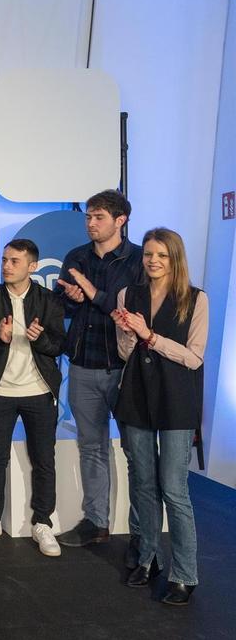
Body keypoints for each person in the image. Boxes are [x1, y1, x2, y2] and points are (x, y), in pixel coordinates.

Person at [113, 228, 207, 606]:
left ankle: (185, 574)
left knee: (174, 489)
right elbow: (124, 354)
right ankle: (149, 559)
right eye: (149, 254)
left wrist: (150, 336)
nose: (152, 261)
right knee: (144, 484)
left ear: (175, 259)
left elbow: (194, 357)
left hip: (176, 400)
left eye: (161, 255)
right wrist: (128, 334)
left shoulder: (195, 299)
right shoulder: (127, 295)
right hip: (136, 394)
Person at [53, 190, 144, 558]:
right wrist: (72, 299)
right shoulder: (76, 257)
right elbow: (59, 304)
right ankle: (97, 522)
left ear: (120, 220)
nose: (91, 223)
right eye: (88, 216)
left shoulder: (139, 260)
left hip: (126, 369)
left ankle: (143, 529)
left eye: (99, 217)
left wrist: (92, 292)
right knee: (91, 448)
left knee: (137, 453)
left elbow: (133, 312)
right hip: (82, 364)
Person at [0, 239, 65, 557]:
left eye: (14, 261)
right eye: (5, 260)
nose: (7, 266)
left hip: (39, 392)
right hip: (0, 392)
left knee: (43, 460)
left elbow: (58, 346)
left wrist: (40, 340)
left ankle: (42, 523)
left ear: (32, 267)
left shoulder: (49, 301)